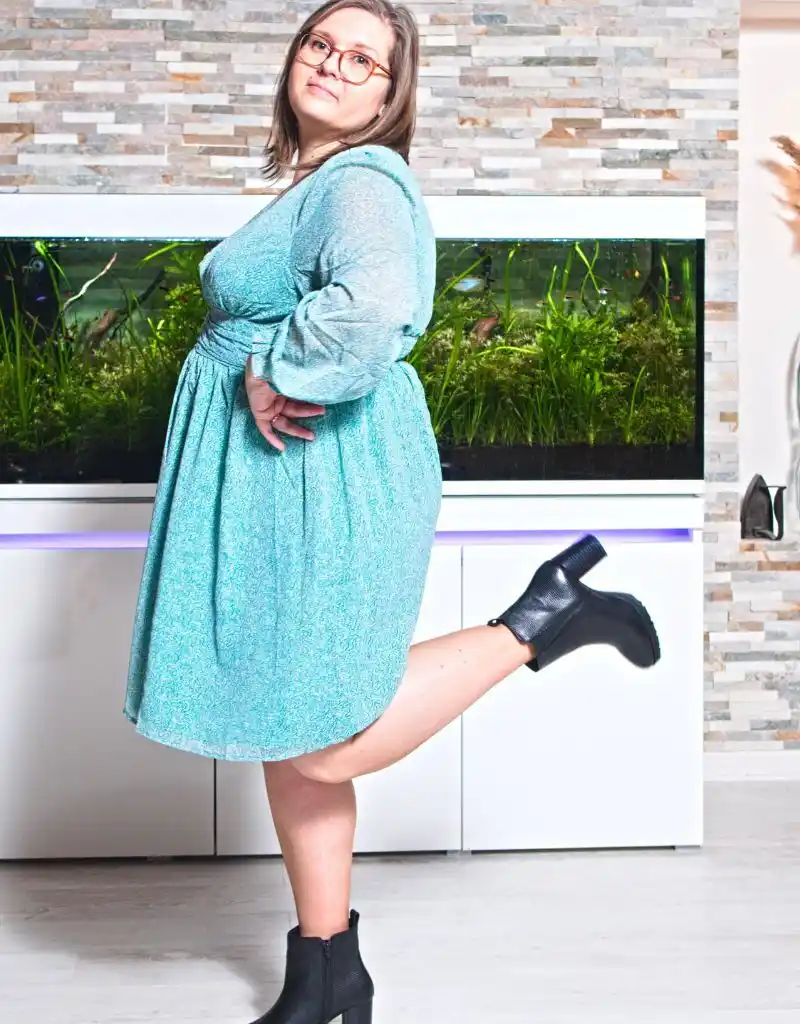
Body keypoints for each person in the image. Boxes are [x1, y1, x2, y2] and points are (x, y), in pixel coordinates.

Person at [123, 2, 661, 1022]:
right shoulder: (318, 182)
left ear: (388, 96)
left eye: (361, 59)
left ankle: (545, 617)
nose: (332, 64)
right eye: (320, 44)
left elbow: (372, 307)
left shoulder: (362, 181)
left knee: (321, 737)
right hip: (279, 476)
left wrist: (276, 368)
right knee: (288, 724)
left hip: (323, 471)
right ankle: (327, 971)